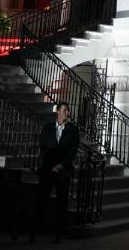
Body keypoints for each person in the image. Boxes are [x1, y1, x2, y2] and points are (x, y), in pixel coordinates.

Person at [30, 102, 79, 244]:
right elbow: (43, 148)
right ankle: (34, 233)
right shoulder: (48, 128)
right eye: (64, 110)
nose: (66, 113)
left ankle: (58, 234)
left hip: (63, 172)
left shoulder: (73, 130)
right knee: (41, 202)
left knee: (61, 204)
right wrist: (50, 166)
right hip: (48, 171)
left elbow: (72, 152)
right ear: (57, 112)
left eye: (67, 111)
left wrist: (61, 165)